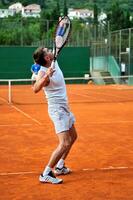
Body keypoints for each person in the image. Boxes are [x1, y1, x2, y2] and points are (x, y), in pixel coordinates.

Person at [32, 47, 77, 184]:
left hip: (65, 108)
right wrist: (47, 75)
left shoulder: (54, 60)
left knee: (73, 137)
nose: (50, 50)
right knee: (64, 143)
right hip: (57, 110)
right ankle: (45, 173)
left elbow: (58, 46)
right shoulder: (43, 72)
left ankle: (60, 166)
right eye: (47, 50)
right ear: (46, 58)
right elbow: (35, 89)